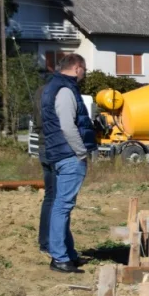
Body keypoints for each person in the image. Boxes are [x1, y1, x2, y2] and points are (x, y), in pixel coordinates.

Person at [40, 53, 97, 273]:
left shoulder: (53, 86)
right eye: (84, 70)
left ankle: (69, 254)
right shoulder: (65, 90)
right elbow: (67, 126)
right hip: (68, 155)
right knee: (62, 207)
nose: (84, 74)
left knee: (62, 206)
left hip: (59, 152)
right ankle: (59, 258)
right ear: (76, 68)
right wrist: (81, 152)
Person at [32, 70, 55, 259]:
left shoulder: (39, 92)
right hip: (55, 148)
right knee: (59, 200)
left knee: (50, 197)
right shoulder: (56, 92)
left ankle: (45, 242)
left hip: (43, 146)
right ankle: (51, 243)